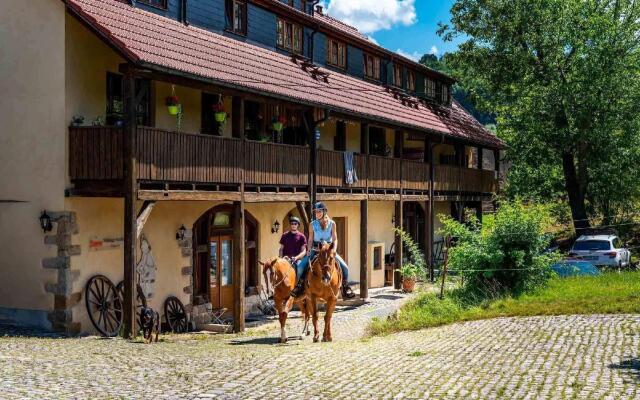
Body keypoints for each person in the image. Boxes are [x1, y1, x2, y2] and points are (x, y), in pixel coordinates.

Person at [291, 202, 356, 299]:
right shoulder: (312, 224)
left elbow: (335, 239)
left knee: (345, 267)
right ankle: (300, 286)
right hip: (316, 249)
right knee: (300, 267)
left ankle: (345, 287)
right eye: (316, 212)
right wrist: (309, 249)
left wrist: (334, 250)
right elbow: (310, 239)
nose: (317, 214)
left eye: (319, 211)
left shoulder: (332, 223)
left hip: (329, 250)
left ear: (324, 212)